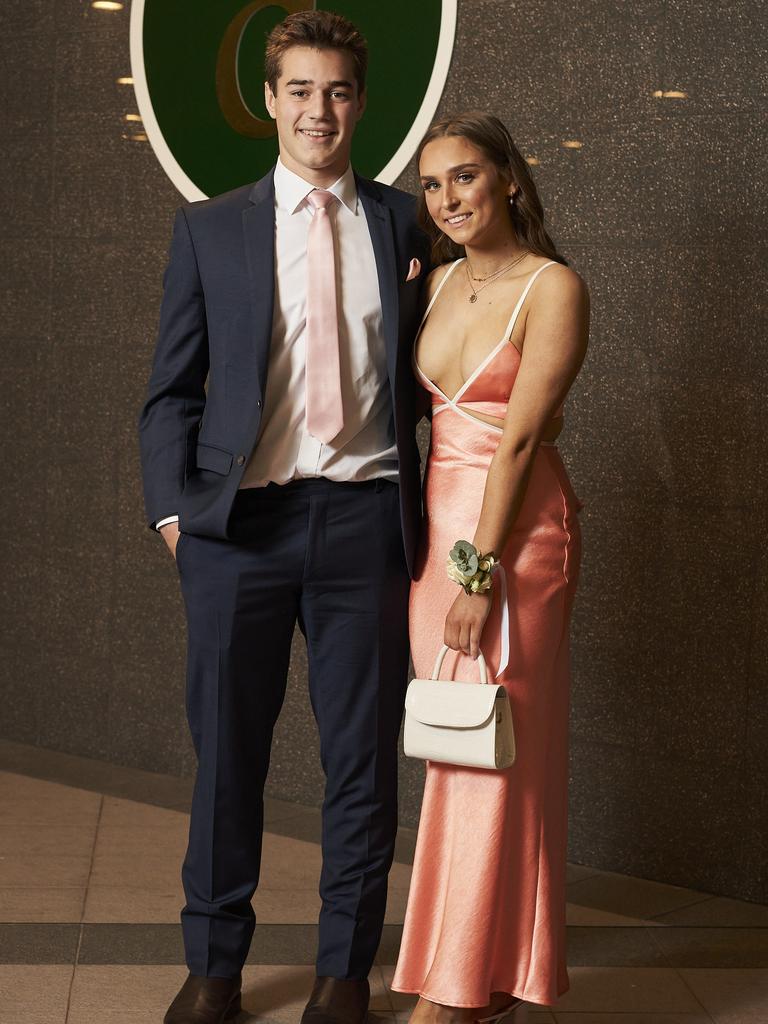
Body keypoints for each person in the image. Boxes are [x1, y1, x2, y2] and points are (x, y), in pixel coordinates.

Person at [137, 11, 431, 1024]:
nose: (319, 110)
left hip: (364, 526)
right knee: (228, 757)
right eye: (300, 90)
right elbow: (169, 392)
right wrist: (175, 518)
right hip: (238, 531)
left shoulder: (406, 226)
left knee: (360, 763)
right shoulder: (209, 228)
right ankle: (215, 963)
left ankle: (343, 970)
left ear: (361, 101)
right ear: (270, 100)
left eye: (338, 91)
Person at [390, 113, 589, 1020]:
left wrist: (481, 576)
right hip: (438, 534)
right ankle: (466, 966)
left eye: (465, 178)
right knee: (454, 743)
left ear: (509, 178)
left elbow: (516, 443)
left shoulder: (553, 288)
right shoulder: (429, 282)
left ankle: (463, 992)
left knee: (501, 751)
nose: (448, 201)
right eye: (432, 186)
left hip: (513, 540)